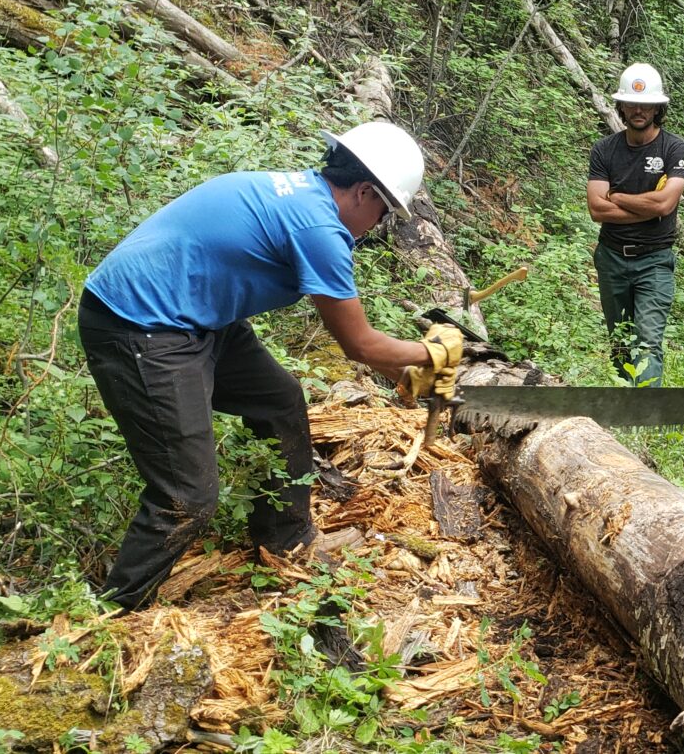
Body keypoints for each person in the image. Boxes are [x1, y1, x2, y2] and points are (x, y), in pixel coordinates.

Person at [78, 122, 463, 611]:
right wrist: (437, 351)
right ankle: (112, 614)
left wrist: (410, 379)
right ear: (365, 192)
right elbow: (359, 345)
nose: (376, 226)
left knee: (278, 401)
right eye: (383, 213)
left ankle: (286, 543)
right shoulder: (319, 228)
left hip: (197, 316)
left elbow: (366, 348)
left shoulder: (299, 192)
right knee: (187, 497)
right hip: (139, 325)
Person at [586, 62, 684, 386]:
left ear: (657, 106)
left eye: (645, 103)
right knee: (619, 342)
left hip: (655, 260)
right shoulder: (604, 150)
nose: (638, 109)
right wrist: (647, 207)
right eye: (631, 102)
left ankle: (645, 420)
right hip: (611, 257)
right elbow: (595, 209)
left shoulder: (675, 148)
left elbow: (665, 203)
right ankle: (622, 417)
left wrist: (616, 196)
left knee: (647, 342)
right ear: (621, 105)